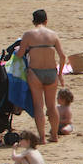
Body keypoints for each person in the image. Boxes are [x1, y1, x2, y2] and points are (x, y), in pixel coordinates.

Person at [17, 9, 67, 145]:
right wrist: (60, 73)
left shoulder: (28, 35)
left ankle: (43, 138)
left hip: (35, 73)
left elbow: (20, 54)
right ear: (46, 20)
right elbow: (62, 56)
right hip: (51, 72)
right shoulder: (53, 35)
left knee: (39, 106)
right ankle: (55, 135)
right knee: (52, 106)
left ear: (33, 21)